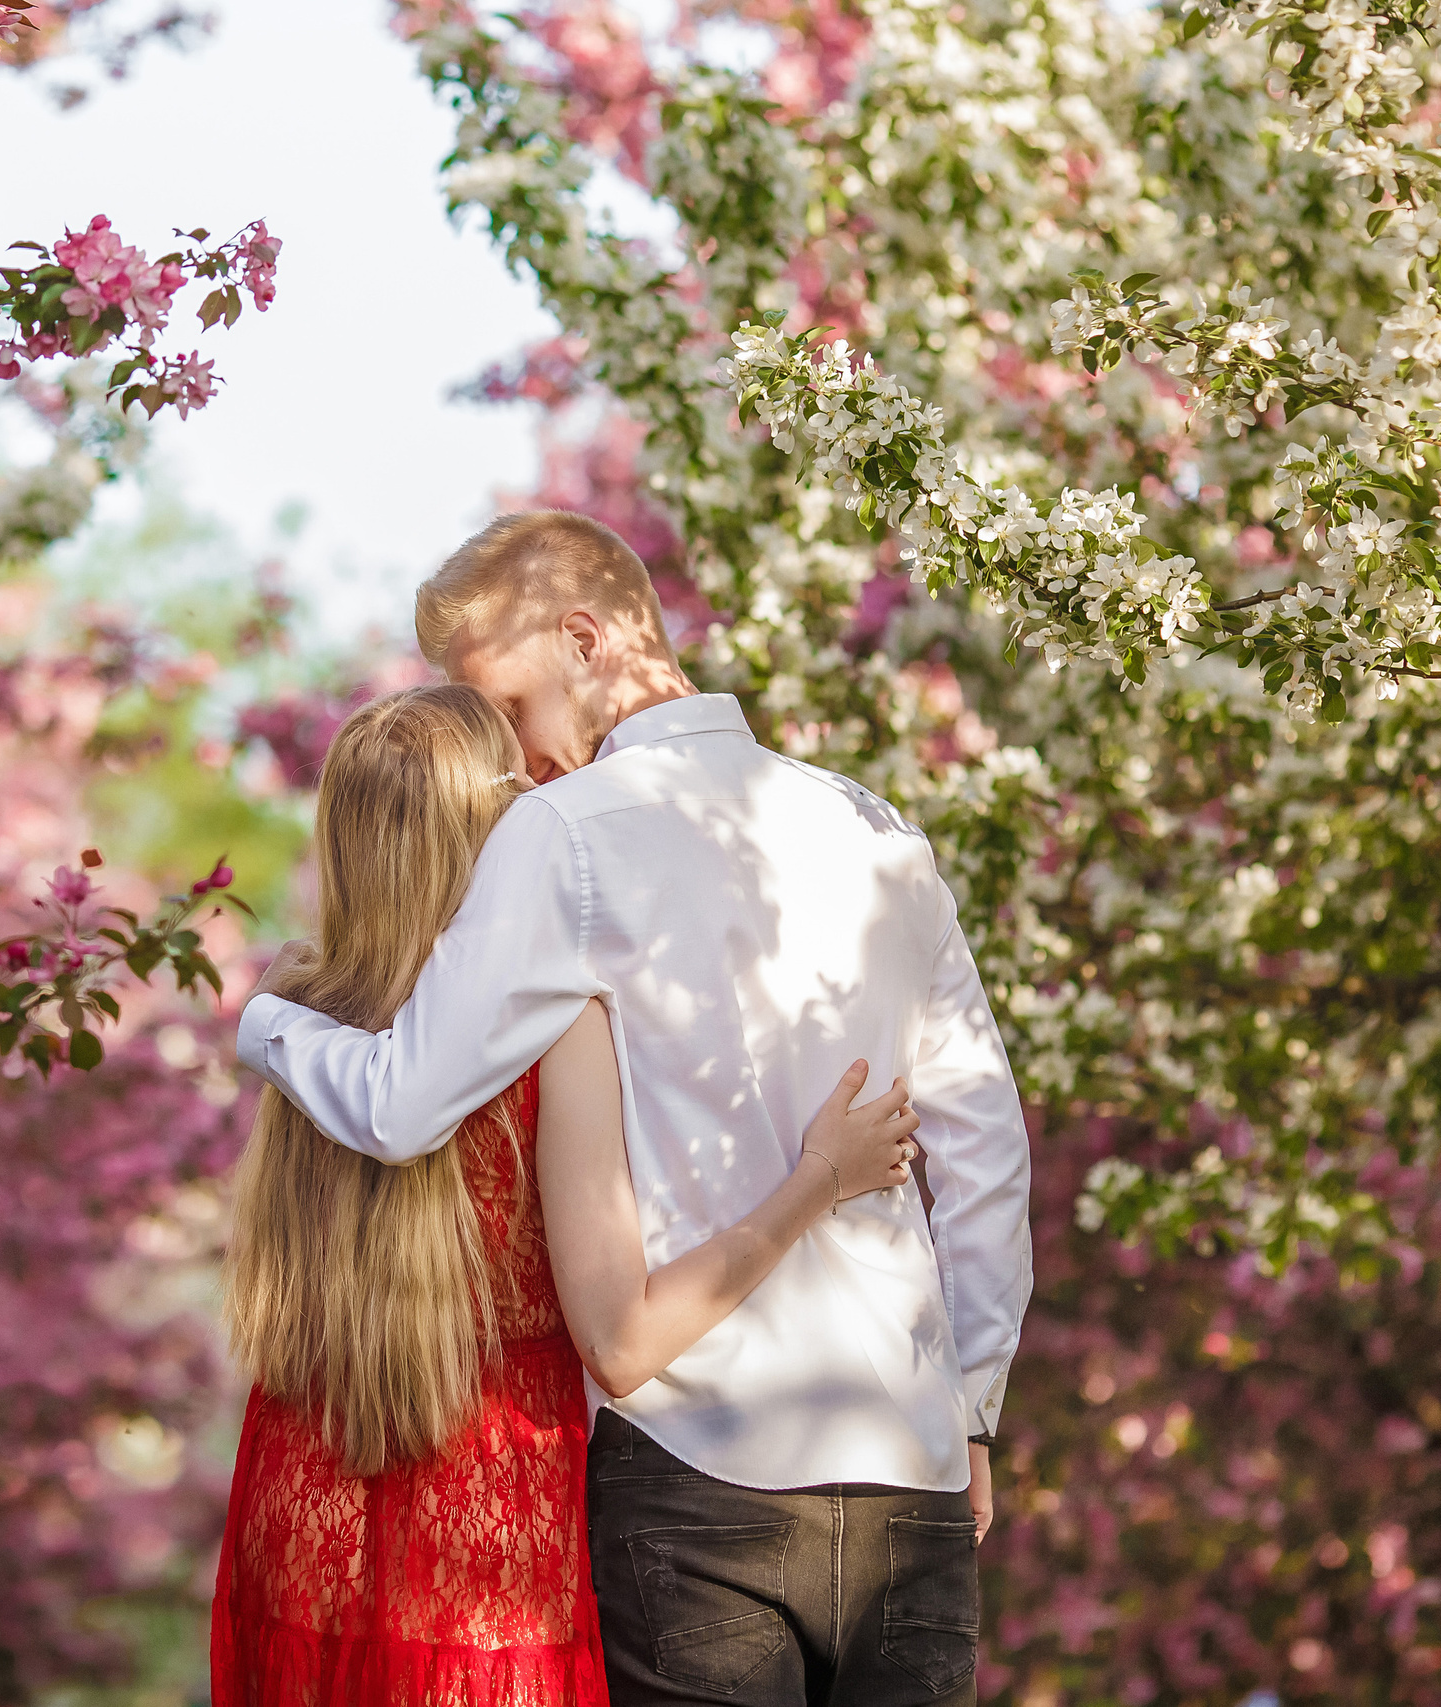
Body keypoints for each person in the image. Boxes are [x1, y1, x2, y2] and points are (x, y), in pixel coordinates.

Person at [235, 512, 1036, 1706]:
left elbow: (403, 1106)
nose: (511, 750)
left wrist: (268, 1024)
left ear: (583, 637)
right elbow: (980, 1147)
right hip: (905, 1472)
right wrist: (971, 1406)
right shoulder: (879, 833)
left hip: (696, 1476)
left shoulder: (562, 837)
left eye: (504, 702)